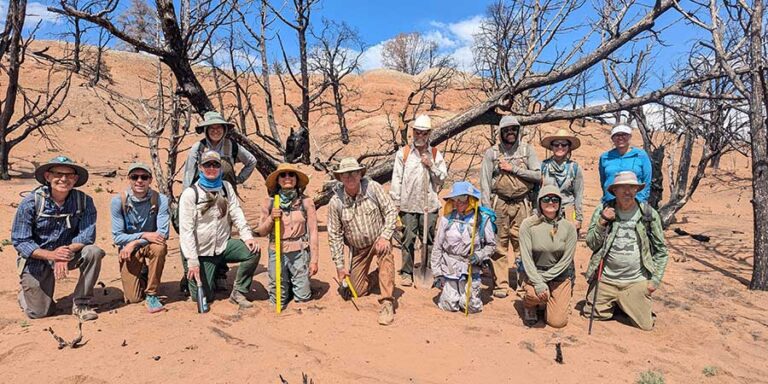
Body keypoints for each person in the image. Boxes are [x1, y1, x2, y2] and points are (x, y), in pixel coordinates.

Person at [11, 156, 105, 321]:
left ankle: (82, 303)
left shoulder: (84, 202)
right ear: (48, 177)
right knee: (40, 312)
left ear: (75, 179)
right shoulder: (31, 203)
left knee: (93, 252)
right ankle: (25, 296)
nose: (63, 179)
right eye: (58, 174)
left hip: (69, 253)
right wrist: (51, 255)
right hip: (38, 259)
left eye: (69, 175)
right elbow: (21, 241)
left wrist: (64, 253)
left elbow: (87, 236)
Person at [179, 111, 258, 294]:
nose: (215, 131)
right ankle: (190, 269)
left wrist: (238, 180)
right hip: (200, 196)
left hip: (224, 193)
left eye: (218, 127)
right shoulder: (197, 148)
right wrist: (188, 195)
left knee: (223, 231)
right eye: (211, 128)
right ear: (206, 130)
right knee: (194, 231)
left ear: (224, 129)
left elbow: (251, 161)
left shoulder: (233, 146)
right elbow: (189, 174)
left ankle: (221, 273)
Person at [582, 171, 668, 331]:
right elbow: (592, 243)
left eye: (632, 187)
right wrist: (602, 222)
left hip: (635, 280)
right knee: (591, 314)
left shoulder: (648, 214)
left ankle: (627, 301)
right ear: (614, 190)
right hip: (606, 279)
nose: (627, 192)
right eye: (622, 188)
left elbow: (661, 251)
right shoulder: (603, 209)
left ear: (637, 190)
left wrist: (654, 281)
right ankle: (620, 303)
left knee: (645, 325)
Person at [327, 157, 398, 325]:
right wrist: (340, 266)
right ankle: (378, 276)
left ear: (360, 174)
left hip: (378, 240)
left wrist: (385, 236)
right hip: (358, 249)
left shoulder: (373, 188)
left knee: (384, 251)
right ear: (340, 178)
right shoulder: (335, 202)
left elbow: (391, 211)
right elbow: (334, 234)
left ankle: (387, 302)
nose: (350, 177)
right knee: (357, 291)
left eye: (353, 173)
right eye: (345, 174)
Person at [480, 115, 541, 298]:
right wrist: (486, 209)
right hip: (499, 202)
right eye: (506, 130)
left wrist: (513, 169)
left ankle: (524, 284)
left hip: (522, 203)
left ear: (518, 131)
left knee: (522, 244)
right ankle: (501, 284)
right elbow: (485, 182)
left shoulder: (527, 150)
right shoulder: (491, 153)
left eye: (513, 129)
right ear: (501, 133)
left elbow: (538, 176)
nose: (510, 133)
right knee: (499, 245)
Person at [390, 114, 448, 287]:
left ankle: (427, 267)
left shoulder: (436, 154)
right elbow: (396, 180)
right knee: (407, 238)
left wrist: (431, 165)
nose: (420, 136)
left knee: (429, 239)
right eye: (417, 132)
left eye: (424, 133)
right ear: (412, 132)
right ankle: (407, 272)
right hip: (408, 205)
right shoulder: (404, 154)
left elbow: (442, 179)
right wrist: (396, 205)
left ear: (429, 133)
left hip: (429, 205)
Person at [254, 163, 319, 306]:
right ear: (277, 180)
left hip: (299, 253)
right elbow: (261, 231)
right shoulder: (269, 203)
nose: (287, 178)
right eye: (283, 175)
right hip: (276, 251)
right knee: (277, 300)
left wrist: (314, 260)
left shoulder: (306, 202)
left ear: (296, 179)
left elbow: (313, 231)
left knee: (303, 298)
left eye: (291, 175)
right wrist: (271, 218)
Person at [110, 162, 170, 313]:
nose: (139, 181)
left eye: (144, 177)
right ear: (129, 179)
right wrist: (143, 235)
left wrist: (136, 241)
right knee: (133, 298)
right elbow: (118, 237)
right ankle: (143, 273)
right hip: (129, 249)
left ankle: (151, 294)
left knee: (159, 247)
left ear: (150, 180)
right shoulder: (119, 201)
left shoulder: (160, 199)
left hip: (148, 244)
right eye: (134, 177)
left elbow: (163, 234)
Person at [431, 181, 496, 313]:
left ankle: (469, 294)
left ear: (471, 200)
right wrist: (437, 273)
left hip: (471, 267)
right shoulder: (447, 219)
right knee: (449, 306)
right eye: (455, 199)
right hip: (449, 267)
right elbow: (437, 246)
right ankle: (450, 292)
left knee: (470, 307)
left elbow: (491, 246)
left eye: (462, 198)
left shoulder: (483, 219)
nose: (458, 202)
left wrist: (479, 255)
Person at [519, 185, 577, 328]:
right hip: (535, 273)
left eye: (554, 199)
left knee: (557, 322)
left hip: (560, 277)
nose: (550, 203)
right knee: (534, 295)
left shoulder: (569, 228)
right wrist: (537, 282)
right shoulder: (528, 225)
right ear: (539, 202)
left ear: (560, 203)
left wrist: (543, 281)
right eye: (546, 199)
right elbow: (526, 258)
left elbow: (566, 261)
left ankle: (548, 303)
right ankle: (530, 304)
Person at [540, 129, 585, 235]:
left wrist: (578, 218)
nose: (560, 147)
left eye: (564, 144)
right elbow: (537, 192)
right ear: (551, 147)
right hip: (547, 209)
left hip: (568, 211)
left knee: (566, 246)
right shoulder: (543, 166)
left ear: (569, 147)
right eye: (556, 144)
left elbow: (578, 195)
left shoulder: (575, 168)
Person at [599, 124, 652, 203]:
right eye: (616, 135)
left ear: (630, 136)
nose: (620, 138)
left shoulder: (640, 155)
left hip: (635, 202)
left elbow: (647, 179)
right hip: (610, 202)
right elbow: (603, 180)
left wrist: (641, 200)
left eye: (624, 134)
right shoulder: (605, 157)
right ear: (612, 138)